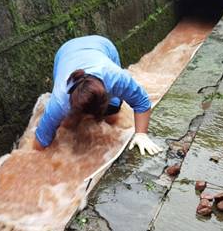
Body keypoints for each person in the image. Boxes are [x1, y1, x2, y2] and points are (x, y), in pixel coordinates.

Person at [33, 35, 162, 155]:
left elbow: (142, 102)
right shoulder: (60, 101)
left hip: (103, 45)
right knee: (65, 122)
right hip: (65, 52)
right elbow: (41, 140)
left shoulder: (117, 79)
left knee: (113, 111)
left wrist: (141, 134)